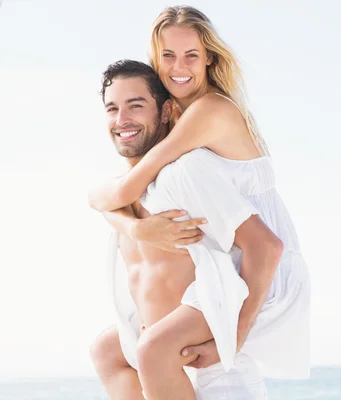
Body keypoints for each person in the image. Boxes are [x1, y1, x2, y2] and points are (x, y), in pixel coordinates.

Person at [90, 5, 311, 398]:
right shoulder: (182, 121)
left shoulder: (209, 112)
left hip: (264, 267)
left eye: (191, 55)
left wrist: (235, 337)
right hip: (239, 257)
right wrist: (135, 226)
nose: (179, 66)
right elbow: (108, 196)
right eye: (167, 56)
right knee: (111, 349)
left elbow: (123, 190)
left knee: (155, 348)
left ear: (209, 57)